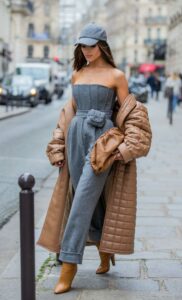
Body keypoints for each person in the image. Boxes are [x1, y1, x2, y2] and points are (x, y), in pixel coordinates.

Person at [37, 22, 152, 294]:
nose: (87, 50)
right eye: (83, 46)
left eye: (91, 45)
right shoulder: (76, 74)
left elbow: (128, 112)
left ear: (102, 46)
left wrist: (126, 145)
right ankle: (104, 250)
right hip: (76, 137)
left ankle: (68, 264)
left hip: (104, 141)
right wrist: (58, 143)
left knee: (84, 197)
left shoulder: (117, 76)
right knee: (85, 196)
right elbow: (69, 111)